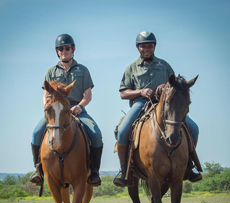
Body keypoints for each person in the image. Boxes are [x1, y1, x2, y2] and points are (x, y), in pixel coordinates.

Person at [113, 31, 202, 187]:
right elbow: (123, 93)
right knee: (122, 131)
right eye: (143, 46)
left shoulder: (164, 65)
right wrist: (140, 92)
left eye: (150, 46)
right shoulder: (131, 68)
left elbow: (176, 86)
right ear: (138, 48)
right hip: (140, 103)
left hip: (166, 106)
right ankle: (124, 169)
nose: (146, 49)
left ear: (154, 47)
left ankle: (189, 166)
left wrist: (165, 87)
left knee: (194, 129)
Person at [30, 34, 103, 187]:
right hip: (55, 112)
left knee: (96, 134)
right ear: (57, 51)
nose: (64, 51)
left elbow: (88, 94)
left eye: (67, 48)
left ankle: (94, 171)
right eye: (61, 48)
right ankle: (38, 170)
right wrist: (47, 108)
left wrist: (80, 106)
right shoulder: (51, 71)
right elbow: (45, 94)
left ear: (73, 49)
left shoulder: (82, 70)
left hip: (76, 109)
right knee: (36, 133)